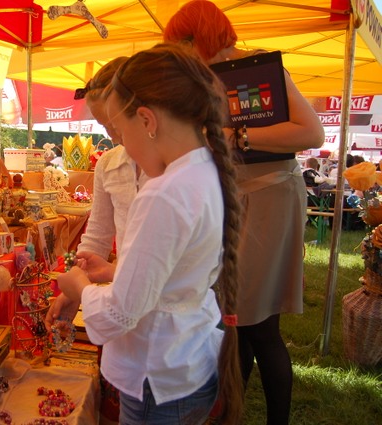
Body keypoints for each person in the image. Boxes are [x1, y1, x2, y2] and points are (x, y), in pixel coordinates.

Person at [47, 43, 244, 424]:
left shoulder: (163, 192)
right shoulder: (205, 169)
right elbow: (174, 274)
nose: (120, 143)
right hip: (188, 358)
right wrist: (112, 272)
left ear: (147, 120)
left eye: (120, 130)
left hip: (158, 371)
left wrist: (79, 287)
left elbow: (120, 314)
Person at [164, 1, 325, 424]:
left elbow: (312, 132)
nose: (181, 52)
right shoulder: (200, 80)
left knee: (258, 323)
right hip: (233, 199)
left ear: (201, 35)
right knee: (240, 315)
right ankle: (231, 411)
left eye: (184, 42)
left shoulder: (260, 69)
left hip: (269, 198)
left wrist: (237, 136)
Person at [73, 56, 148, 422]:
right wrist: (79, 277)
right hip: (127, 293)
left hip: (152, 299)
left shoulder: (168, 169)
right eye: (103, 125)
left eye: (114, 123)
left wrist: (97, 280)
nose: (112, 134)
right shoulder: (109, 163)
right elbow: (98, 233)